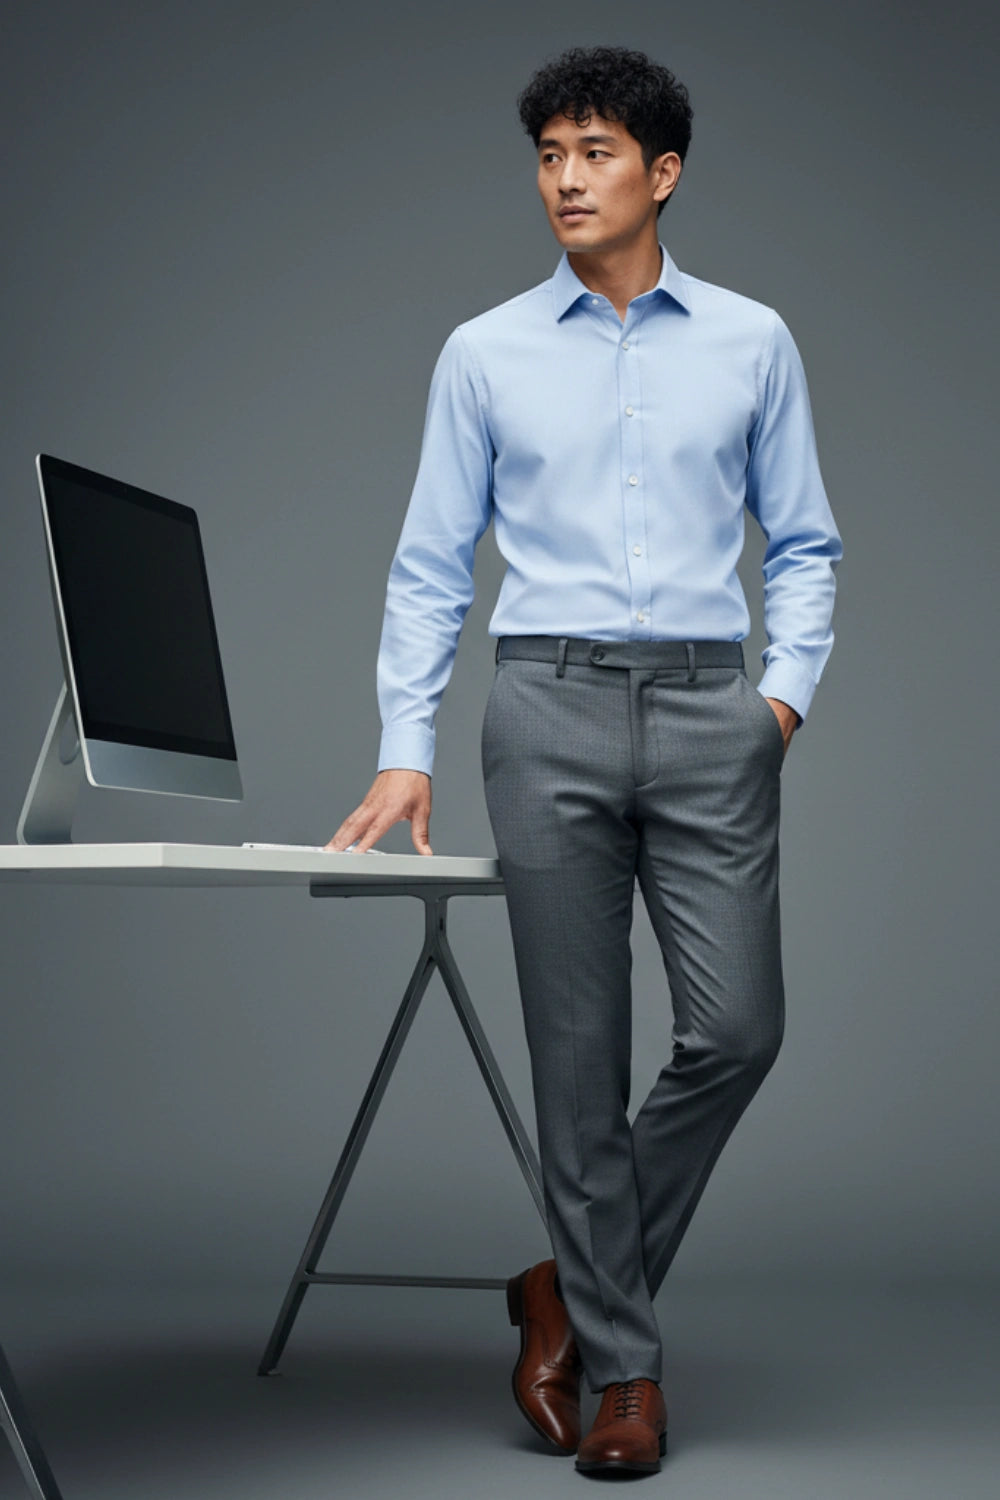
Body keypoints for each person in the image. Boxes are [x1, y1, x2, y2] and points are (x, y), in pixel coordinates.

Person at [326, 43, 842, 1478]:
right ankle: (627, 1377)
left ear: (661, 173)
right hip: (540, 708)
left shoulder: (754, 342)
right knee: (576, 1063)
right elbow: (430, 565)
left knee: (738, 1030)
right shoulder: (484, 352)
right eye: (550, 152)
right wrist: (402, 748)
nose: (566, 176)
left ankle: (565, 1284)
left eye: (597, 151)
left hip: (706, 712)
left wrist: (776, 708)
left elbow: (803, 544)